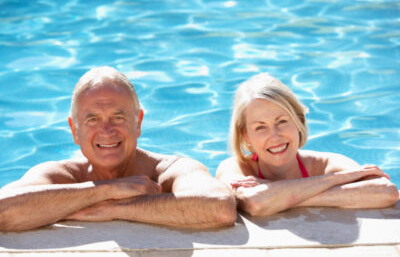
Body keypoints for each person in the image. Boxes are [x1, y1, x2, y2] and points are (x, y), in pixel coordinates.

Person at [0, 66, 236, 231]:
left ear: (138, 122)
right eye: (92, 119)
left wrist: (116, 208)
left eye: (118, 117)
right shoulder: (61, 175)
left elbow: (220, 207)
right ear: (74, 130)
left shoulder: (170, 170)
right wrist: (107, 189)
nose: (107, 130)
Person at [216, 73, 399, 216]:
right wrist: (335, 180)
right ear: (245, 135)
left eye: (282, 121)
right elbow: (255, 203)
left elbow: (386, 192)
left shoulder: (327, 164)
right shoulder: (234, 167)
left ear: (299, 121)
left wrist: (279, 196)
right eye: (260, 127)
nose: (275, 136)